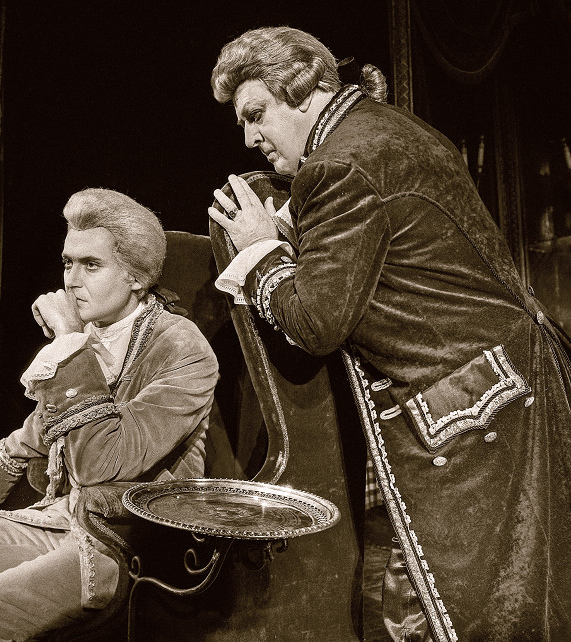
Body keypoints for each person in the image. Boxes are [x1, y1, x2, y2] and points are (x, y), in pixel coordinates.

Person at [207, 26, 571, 642]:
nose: (249, 138)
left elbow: (317, 323)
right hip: (509, 386)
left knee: (450, 616)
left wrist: (261, 253)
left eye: (257, 113)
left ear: (304, 89)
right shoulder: (390, 131)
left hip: (472, 412)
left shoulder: (339, 165)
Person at [0, 188, 219, 641]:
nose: (72, 281)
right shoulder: (93, 332)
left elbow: (101, 464)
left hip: (126, 544)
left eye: (91, 265)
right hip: (59, 519)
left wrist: (70, 345)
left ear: (136, 276)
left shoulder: (182, 349)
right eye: (68, 263)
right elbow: (41, 428)